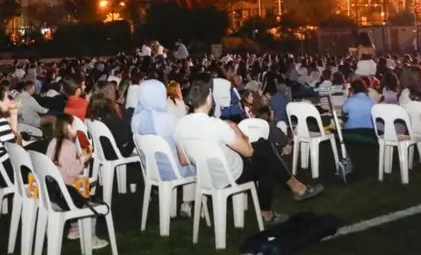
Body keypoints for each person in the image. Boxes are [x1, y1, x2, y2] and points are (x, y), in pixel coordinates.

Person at [173, 81, 322, 227]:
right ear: (209, 99)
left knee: (263, 146)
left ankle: (295, 186)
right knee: (266, 162)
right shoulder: (216, 125)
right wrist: (234, 128)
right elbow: (248, 151)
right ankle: (268, 211)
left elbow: (183, 160)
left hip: (206, 176)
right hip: (230, 174)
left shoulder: (180, 125)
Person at [131, 80, 196, 216]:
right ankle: (187, 202)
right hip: (174, 168)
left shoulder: (136, 119)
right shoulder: (168, 120)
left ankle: (173, 206)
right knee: (193, 160)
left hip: (151, 169)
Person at [45, 115, 108, 249]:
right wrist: (82, 160)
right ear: (68, 127)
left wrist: (77, 159)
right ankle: (90, 239)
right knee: (88, 201)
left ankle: (75, 229)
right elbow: (71, 172)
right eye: (74, 126)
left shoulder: (53, 143)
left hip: (52, 192)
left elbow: (62, 164)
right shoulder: (68, 145)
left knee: (79, 189)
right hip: (65, 194)